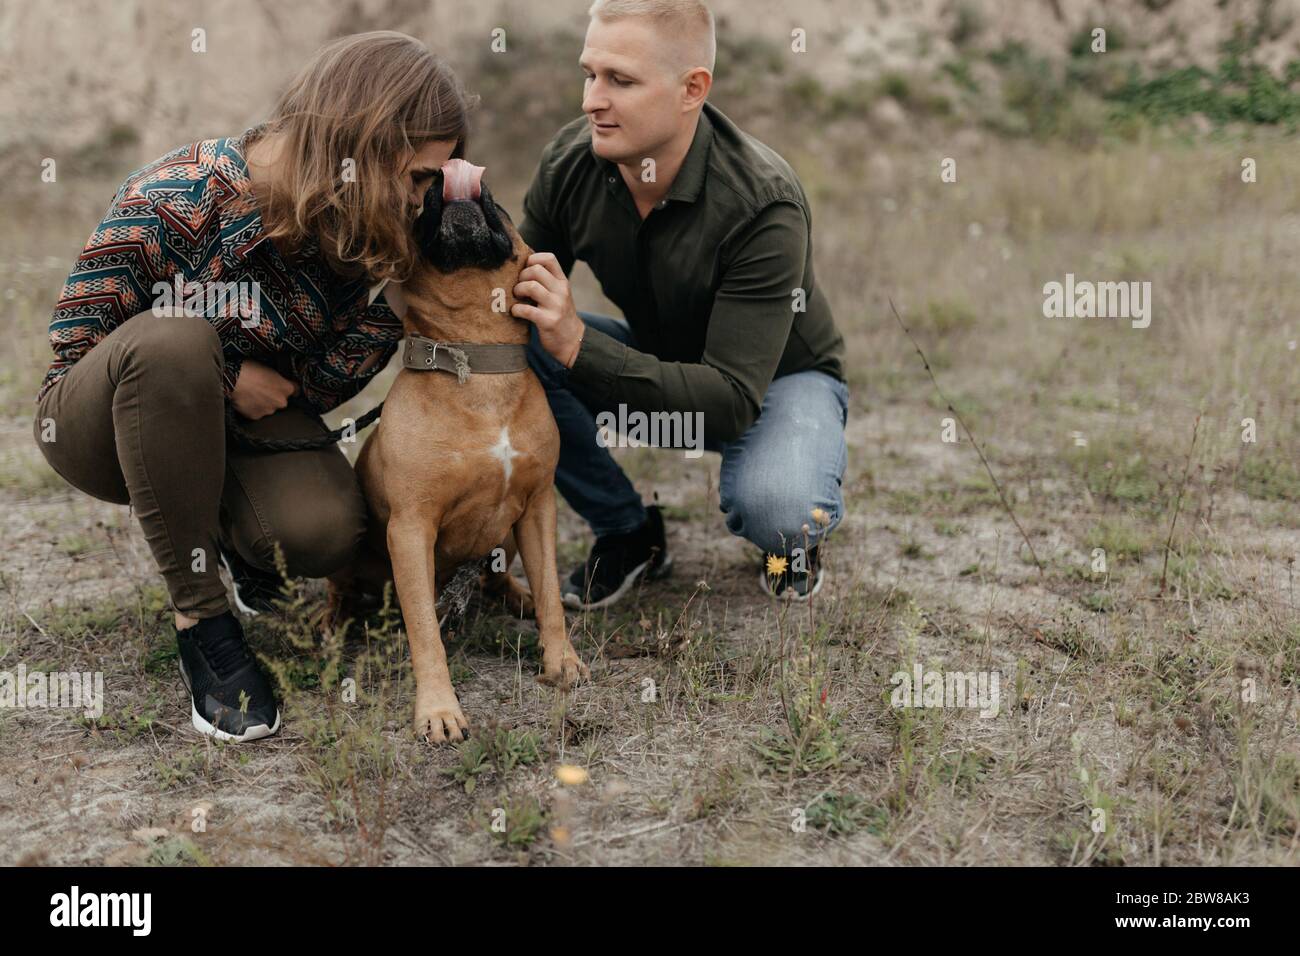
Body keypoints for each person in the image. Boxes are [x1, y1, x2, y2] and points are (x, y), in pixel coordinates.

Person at [32, 31, 474, 742]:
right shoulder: (174, 195)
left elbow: (314, 389)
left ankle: (232, 538)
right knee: (176, 342)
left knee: (324, 530)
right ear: (363, 142)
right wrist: (226, 376)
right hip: (103, 424)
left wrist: (397, 300)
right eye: (419, 176)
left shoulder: (350, 225)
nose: (423, 198)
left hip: (231, 431)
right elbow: (80, 347)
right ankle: (202, 619)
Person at [513, 0, 848, 609]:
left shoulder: (763, 204)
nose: (592, 99)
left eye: (621, 80)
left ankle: (792, 543)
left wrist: (581, 348)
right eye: (590, 74)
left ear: (692, 88)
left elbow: (728, 400)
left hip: (770, 385)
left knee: (779, 509)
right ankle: (628, 532)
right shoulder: (572, 160)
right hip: (659, 364)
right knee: (522, 338)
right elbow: (511, 291)